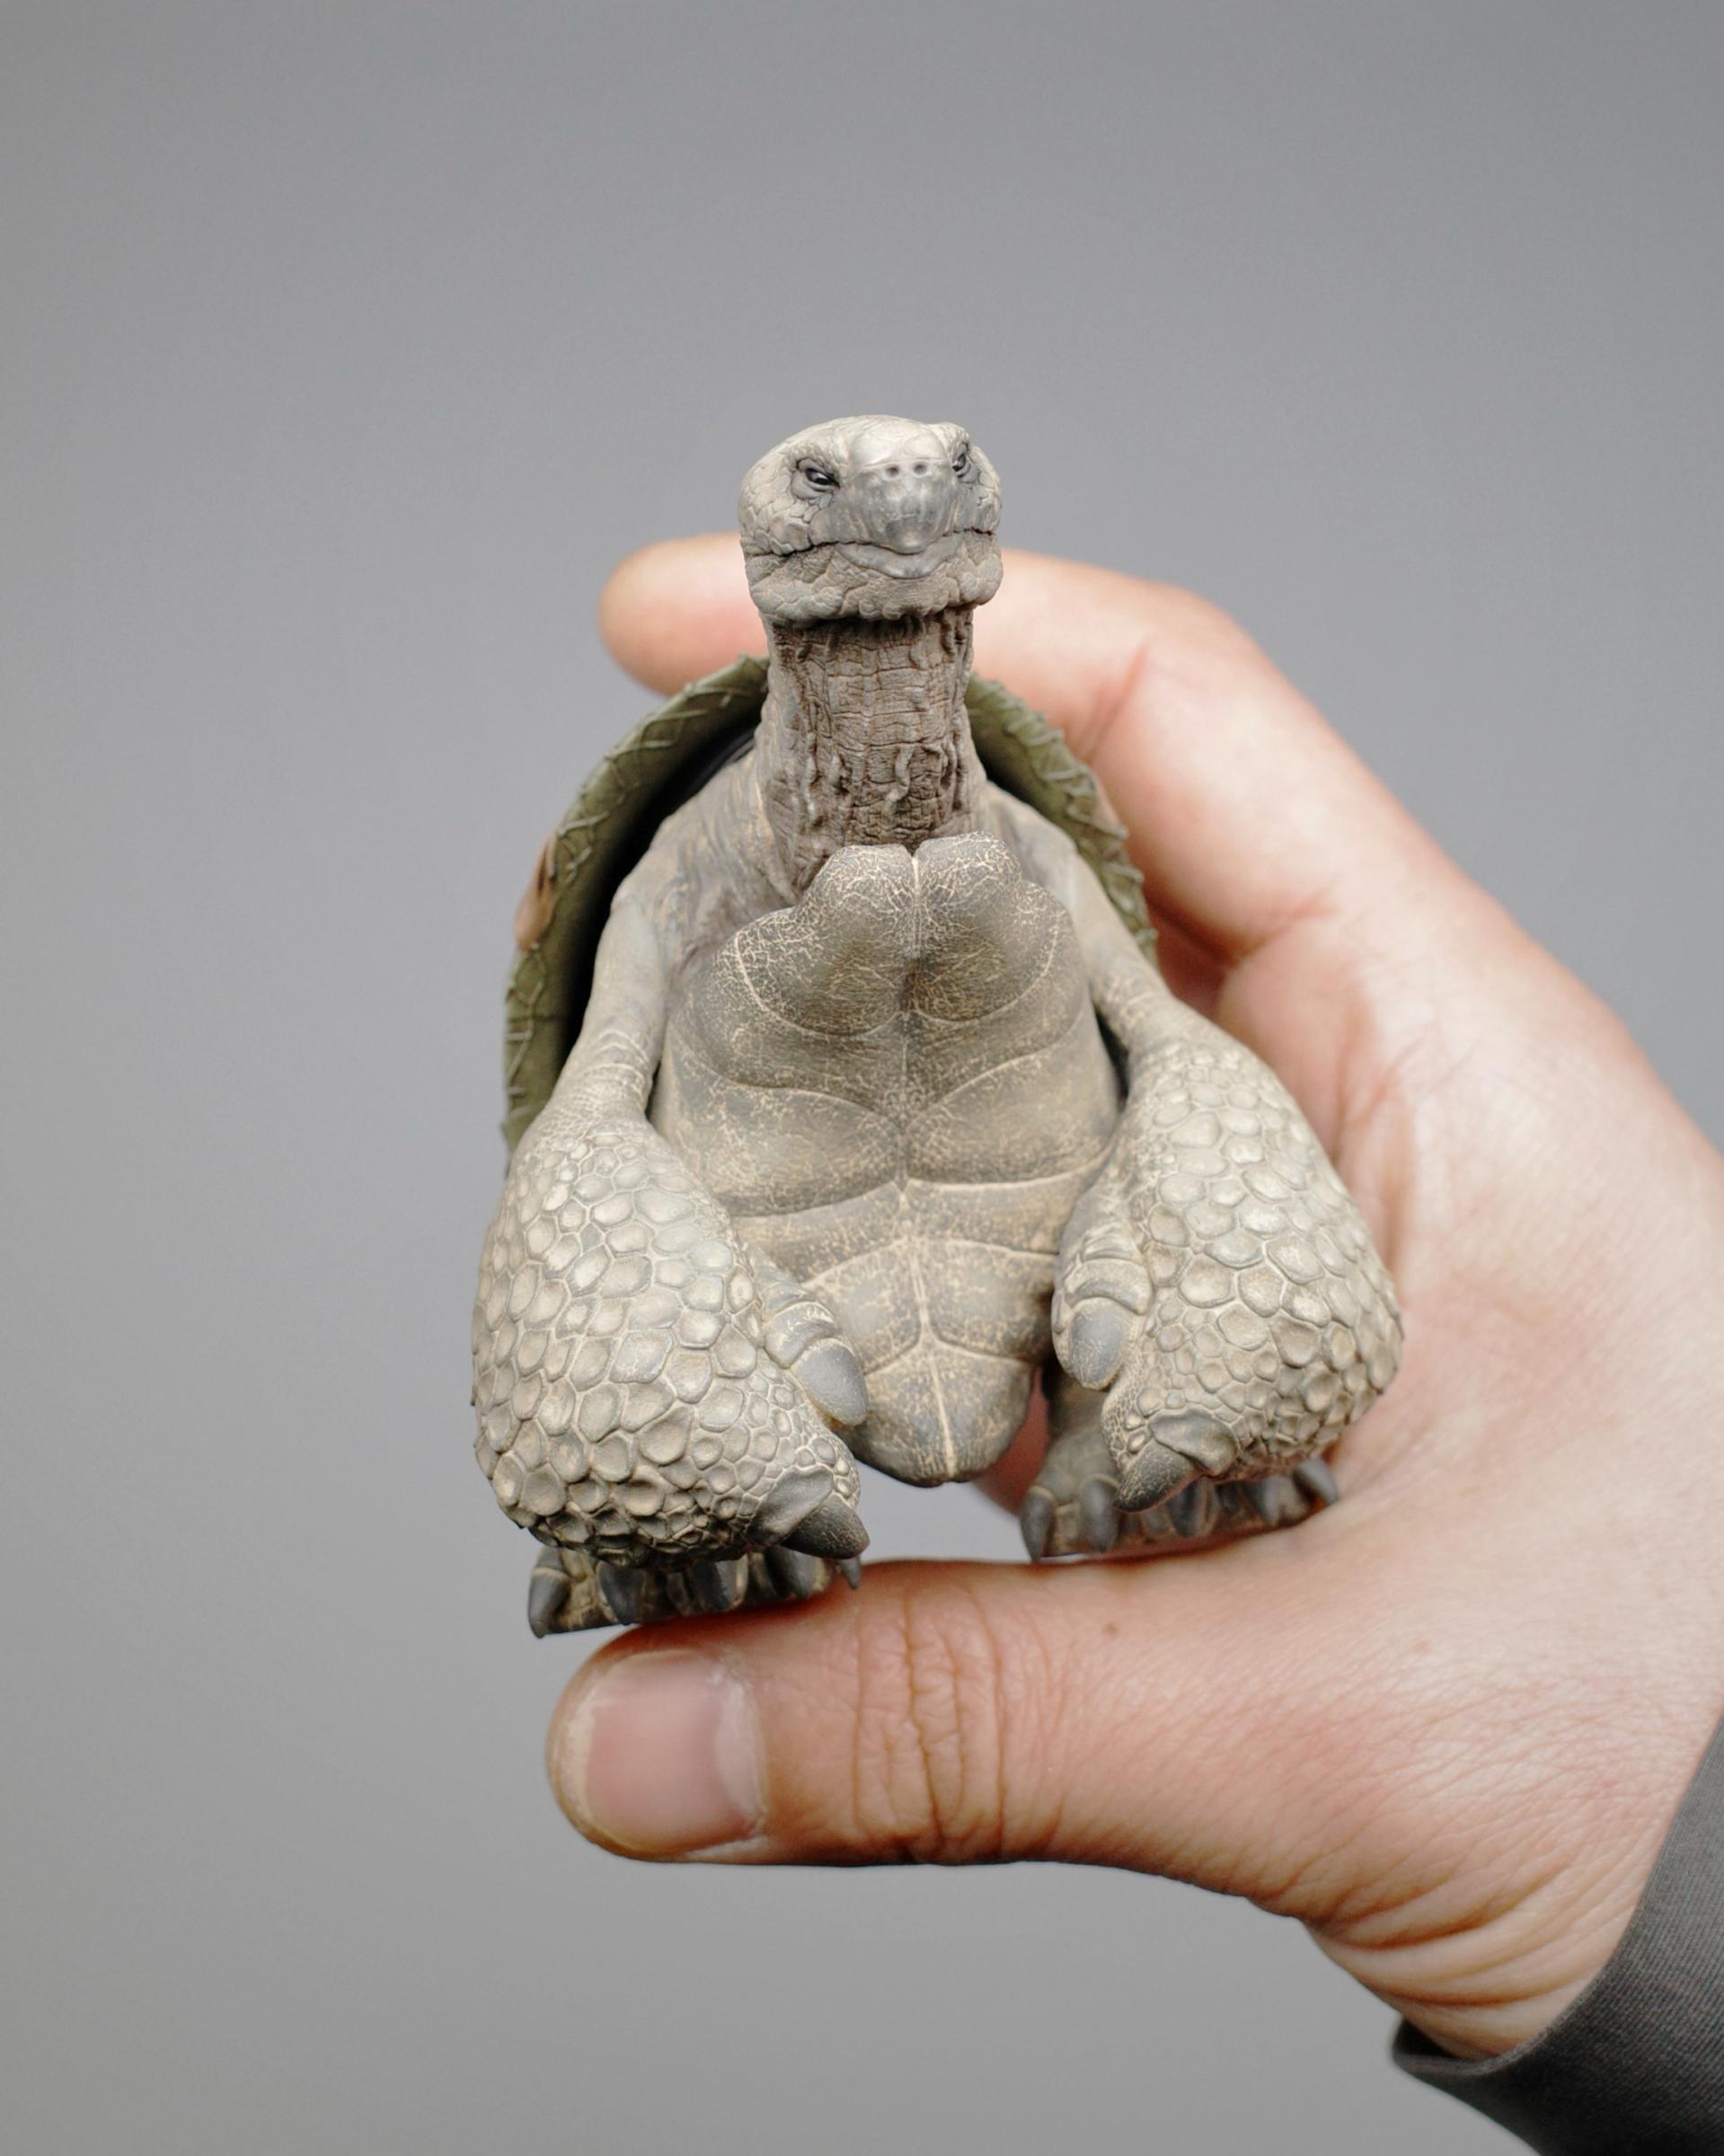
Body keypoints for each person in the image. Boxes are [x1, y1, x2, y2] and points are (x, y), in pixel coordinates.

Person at [544, 537, 1724, 2154]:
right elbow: (592, 1116)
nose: (892, 504)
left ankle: (1161, 1433)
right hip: (738, 1290)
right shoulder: (679, 869)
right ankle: (676, 1503)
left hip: (1061, 1243)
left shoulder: (1025, 842)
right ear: (783, 546)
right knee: (610, 1267)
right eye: (837, 489)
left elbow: (1173, 1044)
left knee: (1220, 1157)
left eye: (930, 479)